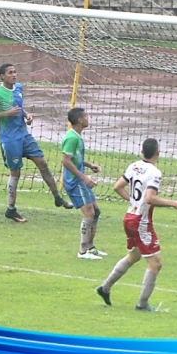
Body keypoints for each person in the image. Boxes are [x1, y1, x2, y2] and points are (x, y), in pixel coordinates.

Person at [95, 138, 177, 311]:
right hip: (140, 222)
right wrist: (174, 203)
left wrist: (132, 201)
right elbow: (150, 198)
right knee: (156, 263)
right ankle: (142, 304)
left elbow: (117, 187)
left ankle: (104, 288)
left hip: (129, 217)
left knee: (134, 256)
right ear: (158, 153)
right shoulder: (155, 173)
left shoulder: (134, 166)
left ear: (142, 152)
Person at [0, 63, 73, 223]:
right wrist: (7, 113)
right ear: (2, 76)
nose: (14, 75)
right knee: (16, 173)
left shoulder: (18, 88)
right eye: (10, 73)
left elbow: (19, 107)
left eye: (15, 72)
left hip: (25, 136)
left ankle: (57, 198)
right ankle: (11, 209)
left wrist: (26, 115)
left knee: (43, 163)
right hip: (10, 140)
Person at [61, 107, 107, 260]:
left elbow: (76, 158)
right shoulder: (72, 138)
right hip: (75, 182)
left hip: (79, 180)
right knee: (89, 212)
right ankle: (82, 251)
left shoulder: (77, 137)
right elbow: (66, 161)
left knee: (96, 211)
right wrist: (84, 177)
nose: (88, 118)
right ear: (80, 120)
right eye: (86, 116)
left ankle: (90, 247)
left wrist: (89, 166)